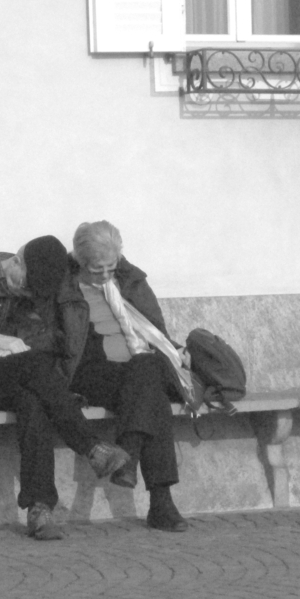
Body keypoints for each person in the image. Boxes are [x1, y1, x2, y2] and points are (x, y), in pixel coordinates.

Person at [0, 235, 130, 540]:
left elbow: (48, 338)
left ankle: (40, 509)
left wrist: (14, 348)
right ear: (16, 261)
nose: (27, 291)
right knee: (33, 369)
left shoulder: (31, 288)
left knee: (32, 399)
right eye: (24, 283)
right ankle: (91, 446)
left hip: (15, 374)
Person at [67, 220, 190, 532]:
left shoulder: (130, 280)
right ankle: (161, 503)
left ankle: (128, 454)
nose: (105, 276)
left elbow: (154, 330)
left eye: (111, 267)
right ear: (80, 261)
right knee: (151, 393)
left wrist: (177, 351)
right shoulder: (66, 287)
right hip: (94, 372)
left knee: (147, 371)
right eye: (97, 270)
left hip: (138, 368)